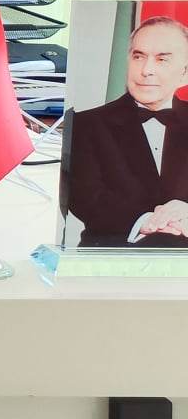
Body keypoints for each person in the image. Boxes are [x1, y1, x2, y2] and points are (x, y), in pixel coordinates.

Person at [66, 15, 188, 247]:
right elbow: (85, 197)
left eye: (162, 59)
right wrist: (147, 221)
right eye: (138, 57)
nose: (146, 70)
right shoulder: (85, 124)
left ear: (185, 73)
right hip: (112, 257)